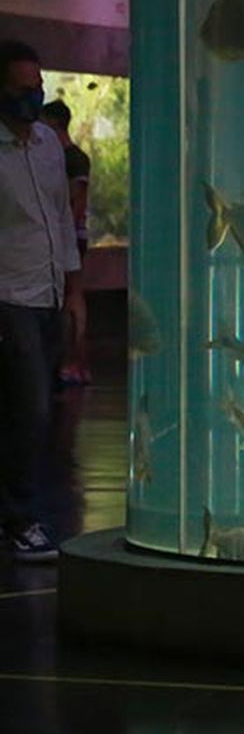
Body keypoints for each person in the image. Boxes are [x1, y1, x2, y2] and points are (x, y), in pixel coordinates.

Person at [0, 40, 82, 561]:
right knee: (29, 409)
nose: (34, 97)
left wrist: (75, 292)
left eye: (39, 87)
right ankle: (20, 517)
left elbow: (60, 219)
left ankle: (14, 513)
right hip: (8, 294)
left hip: (48, 292)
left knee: (33, 410)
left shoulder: (50, 147)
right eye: (23, 89)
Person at [39, 99, 91, 386]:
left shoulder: (73, 159)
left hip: (71, 236)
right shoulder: (61, 157)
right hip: (66, 236)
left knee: (73, 295)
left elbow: (77, 200)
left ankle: (75, 361)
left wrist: (65, 234)